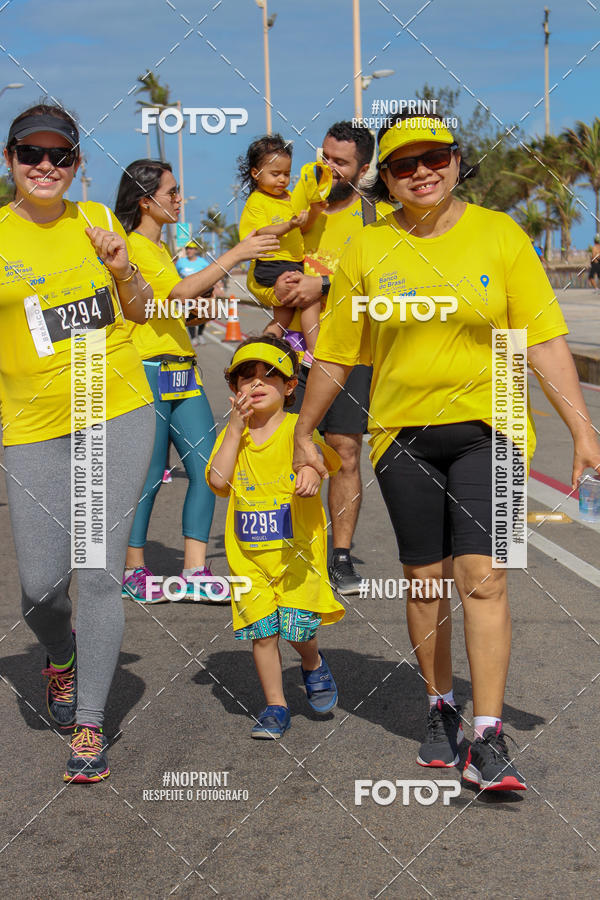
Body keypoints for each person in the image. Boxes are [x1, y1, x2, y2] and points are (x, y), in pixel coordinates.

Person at [293, 112, 600, 792]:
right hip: (403, 436)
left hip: (493, 430)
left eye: (435, 157)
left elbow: (543, 337)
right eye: (405, 164)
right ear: (388, 179)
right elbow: (338, 353)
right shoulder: (369, 250)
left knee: (485, 576)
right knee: (425, 583)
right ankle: (439, 708)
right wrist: (302, 429)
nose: (422, 172)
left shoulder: (499, 235)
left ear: (459, 162)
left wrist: (582, 428)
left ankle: (487, 732)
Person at [1, 103, 156, 782]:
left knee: (95, 572)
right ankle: (59, 655)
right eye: (30, 154)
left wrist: (124, 268)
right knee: (39, 588)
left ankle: (89, 724)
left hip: (113, 404)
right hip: (32, 425)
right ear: (9, 160)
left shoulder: (97, 222)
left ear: (76, 163)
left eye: (58, 156)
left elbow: (143, 309)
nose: (44, 167)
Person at [114, 159, 278, 604]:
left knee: (208, 468)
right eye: (171, 192)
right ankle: (133, 569)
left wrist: (199, 312)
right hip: (145, 369)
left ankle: (194, 569)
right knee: (147, 475)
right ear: (145, 202)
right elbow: (176, 296)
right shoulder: (128, 247)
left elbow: (177, 308)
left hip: (183, 367)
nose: (179, 199)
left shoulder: (161, 249)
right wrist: (236, 254)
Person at [253, 122, 394, 595]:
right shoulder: (291, 201)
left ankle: (340, 555)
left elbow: (388, 277)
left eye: (341, 163)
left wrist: (325, 284)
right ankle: (287, 550)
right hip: (293, 351)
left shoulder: (379, 215)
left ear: (365, 169)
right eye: (325, 157)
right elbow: (259, 268)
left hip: (352, 352)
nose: (328, 168)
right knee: (281, 448)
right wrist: (274, 289)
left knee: (345, 451)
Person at [206, 336, 344, 739]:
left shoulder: (297, 431)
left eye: (269, 376)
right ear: (234, 391)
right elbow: (217, 480)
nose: (257, 383)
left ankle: (313, 662)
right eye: (246, 378)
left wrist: (309, 473)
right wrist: (233, 429)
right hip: (249, 560)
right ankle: (275, 706)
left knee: (298, 629)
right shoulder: (235, 435)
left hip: (297, 559)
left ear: (289, 386)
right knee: (263, 633)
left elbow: (320, 463)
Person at [238, 135, 321, 364]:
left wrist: (313, 211)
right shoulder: (257, 201)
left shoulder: (290, 198)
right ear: (256, 174)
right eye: (275, 174)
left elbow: (303, 228)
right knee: (310, 299)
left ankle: (261, 352)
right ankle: (315, 353)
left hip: (292, 263)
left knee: (282, 319)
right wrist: (288, 225)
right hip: (273, 265)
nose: (282, 180)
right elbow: (258, 233)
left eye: (286, 174)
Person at [175, 241, 210, 345]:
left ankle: (200, 334)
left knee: (202, 315)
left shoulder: (202, 262)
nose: (189, 250)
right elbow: (175, 275)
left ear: (196, 250)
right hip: (186, 295)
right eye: (187, 248)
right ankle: (193, 337)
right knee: (188, 316)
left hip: (200, 294)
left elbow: (210, 275)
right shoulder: (181, 262)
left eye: (191, 248)